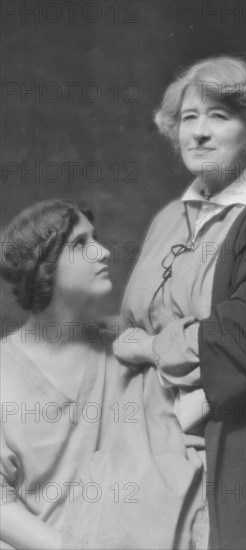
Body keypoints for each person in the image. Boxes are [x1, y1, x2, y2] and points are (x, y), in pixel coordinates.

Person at [64, 56, 246, 549]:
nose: (198, 133)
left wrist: (151, 350)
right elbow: (141, 322)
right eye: (188, 118)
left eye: (219, 117)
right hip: (148, 444)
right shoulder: (167, 221)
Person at [0, 200, 130, 550]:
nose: (102, 252)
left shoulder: (126, 346)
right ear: (42, 264)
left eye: (95, 238)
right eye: (79, 244)